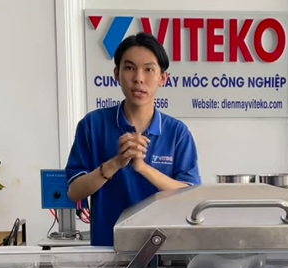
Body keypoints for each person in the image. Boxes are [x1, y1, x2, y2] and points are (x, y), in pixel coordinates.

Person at [65, 32, 201, 247]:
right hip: (108, 249)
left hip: (165, 250)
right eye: (129, 68)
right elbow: (75, 192)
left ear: (163, 78)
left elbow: (190, 196)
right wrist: (115, 163)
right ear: (116, 74)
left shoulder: (177, 133)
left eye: (149, 69)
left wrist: (142, 168)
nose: (139, 78)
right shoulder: (93, 125)